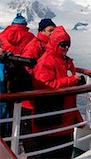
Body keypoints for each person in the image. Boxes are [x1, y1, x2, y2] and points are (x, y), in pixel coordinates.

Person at [32, 26, 85, 158]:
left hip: (64, 122)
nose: (66, 48)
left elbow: (69, 94)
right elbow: (45, 86)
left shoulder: (66, 62)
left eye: (68, 45)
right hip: (50, 122)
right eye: (62, 45)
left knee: (65, 153)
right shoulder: (46, 61)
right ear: (55, 43)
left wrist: (76, 117)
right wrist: (72, 80)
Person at [20, 18, 56, 155]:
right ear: (41, 31)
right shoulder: (35, 46)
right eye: (50, 31)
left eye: (54, 30)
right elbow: (26, 68)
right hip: (31, 98)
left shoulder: (46, 45)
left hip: (39, 98)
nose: (52, 34)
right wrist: (43, 80)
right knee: (31, 135)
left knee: (39, 133)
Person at [0, 13, 35, 136]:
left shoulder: (2, 35)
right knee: (22, 105)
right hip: (23, 76)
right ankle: (18, 135)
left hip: (4, 77)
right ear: (24, 25)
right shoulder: (30, 37)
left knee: (5, 106)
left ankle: (6, 136)